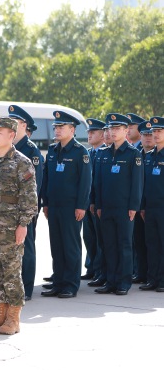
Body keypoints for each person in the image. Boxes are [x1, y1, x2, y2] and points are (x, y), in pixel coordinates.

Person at [0, 117, 38, 335]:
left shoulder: (22, 162)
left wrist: (23, 225)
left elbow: (30, 198)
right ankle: (0, 314)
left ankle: (13, 319)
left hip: (11, 228)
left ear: (12, 135)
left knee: (11, 273)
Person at [41, 111, 92, 299]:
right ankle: (58, 282)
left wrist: (81, 206)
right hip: (54, 206)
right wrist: (45, 202)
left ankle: (70, 284)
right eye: (56, 127)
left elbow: (85, 182)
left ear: (72, 129)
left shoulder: (80, 152)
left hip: (71, 207)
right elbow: (46, 179)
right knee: (57, 245)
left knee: (70, 246)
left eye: (61, 127)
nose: (57, 130)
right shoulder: (53, 150)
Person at [93, 113, 144, 295]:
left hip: (124, 209)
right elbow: (98, 182)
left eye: (117, 129)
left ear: (126, 130)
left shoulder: (133, 154)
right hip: (106, 207)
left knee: (124, 245)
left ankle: (123, 282)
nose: (113, 132)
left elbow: (137, 184)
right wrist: (98, 205)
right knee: (109, 245)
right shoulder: (104, 154)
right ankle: (111, 281)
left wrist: (133, 207)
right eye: (111, 128)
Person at [7, 105, 43, 301]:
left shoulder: (31, 150)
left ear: (23, 125)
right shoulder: (8, 148)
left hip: (24, 208)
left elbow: (37, 186)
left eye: (14, 123)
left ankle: (27, 287)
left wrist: (28, 211)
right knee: (12, 248)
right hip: (8, 209)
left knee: (26, 247)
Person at [141, 117, 164, 292]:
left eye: (159, 131)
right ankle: (153, 279)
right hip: (150, 208)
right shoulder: (148, 156)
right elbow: (142, 184)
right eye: (153, 131)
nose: (155, 135)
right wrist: (142, 206)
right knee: (152, 244)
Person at [83, 118, 107, 284]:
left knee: (100, 239)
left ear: (102, 135)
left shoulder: (105, 153)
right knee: (89, 237)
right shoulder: (89, 153)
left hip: (98, 202)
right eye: (89, 132)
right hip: (87, 201)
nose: (90, 135)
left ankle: (100, 271)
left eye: (93, 132)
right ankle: (91, 268)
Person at [132, 120, 153, 284]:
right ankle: (142, 273)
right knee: (138, 240)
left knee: (154, 243)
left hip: (153, 206)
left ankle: (155, 275)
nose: (148, 138)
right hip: (138, 206)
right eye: (145, 135)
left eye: (151, 134)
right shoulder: (138, 154)